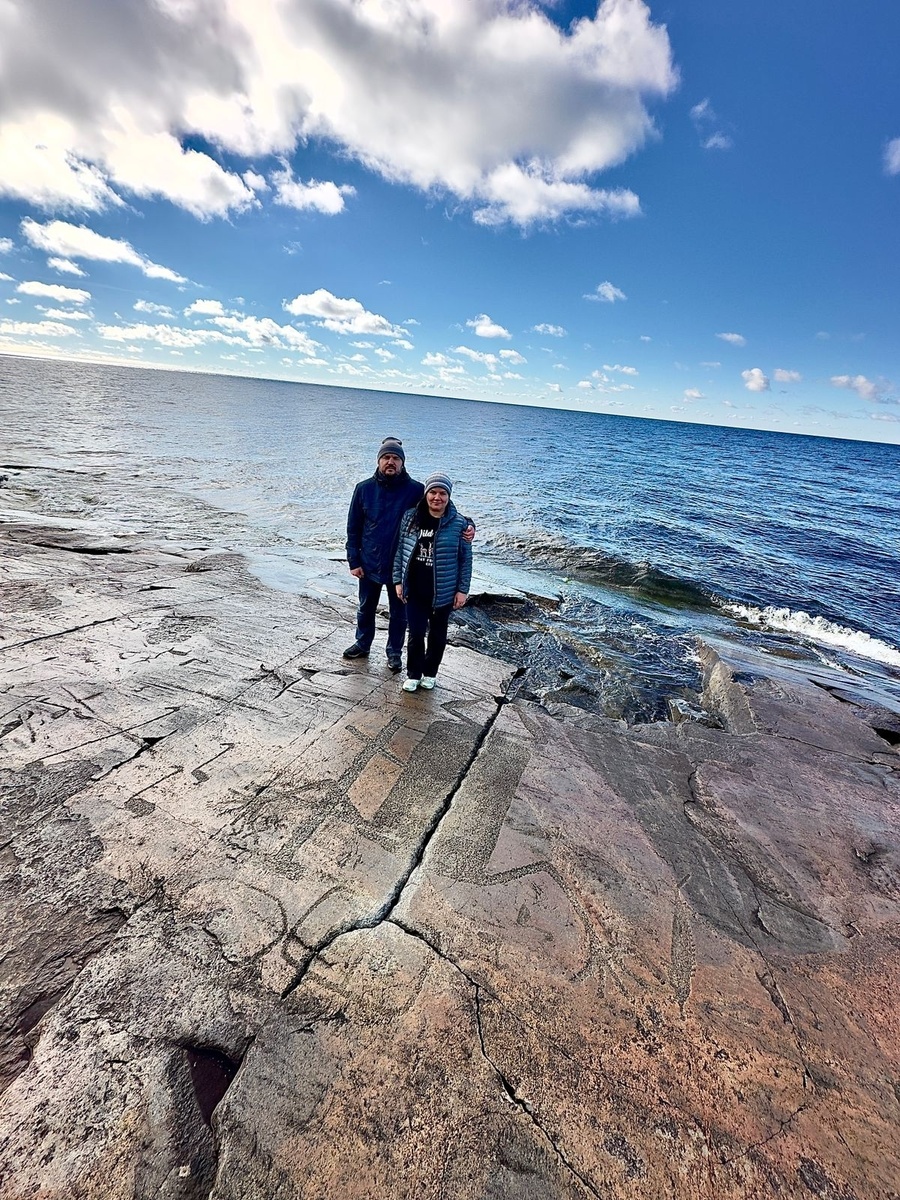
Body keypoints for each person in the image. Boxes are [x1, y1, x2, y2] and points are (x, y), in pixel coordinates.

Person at [344, 437, 473, 672]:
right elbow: (353, 527)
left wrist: (469, 524)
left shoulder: (415, 490)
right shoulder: (363, 489)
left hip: (404, 567)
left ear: (402, 463)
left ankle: (394, 652)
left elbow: (441, 508)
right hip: (369, 562)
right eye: (386, 457)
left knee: (399, 614)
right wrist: (354, 559)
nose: (390, 462)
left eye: (395, 458)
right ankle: (362, 644)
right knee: (365, 607)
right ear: (379, 460)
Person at [393, 472, 472, 692]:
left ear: (449, 496)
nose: (437, 497)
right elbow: (401, 551)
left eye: (442, 493)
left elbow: (466, 560)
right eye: (433, 492)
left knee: (437, 636)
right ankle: (413, 673)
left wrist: (462, 590)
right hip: (416, 589)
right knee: (416, 633)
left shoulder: (459, 524)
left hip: (444, 592)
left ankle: (430, 673)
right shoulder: (411, 517)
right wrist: (398, 581)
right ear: (426, 494)